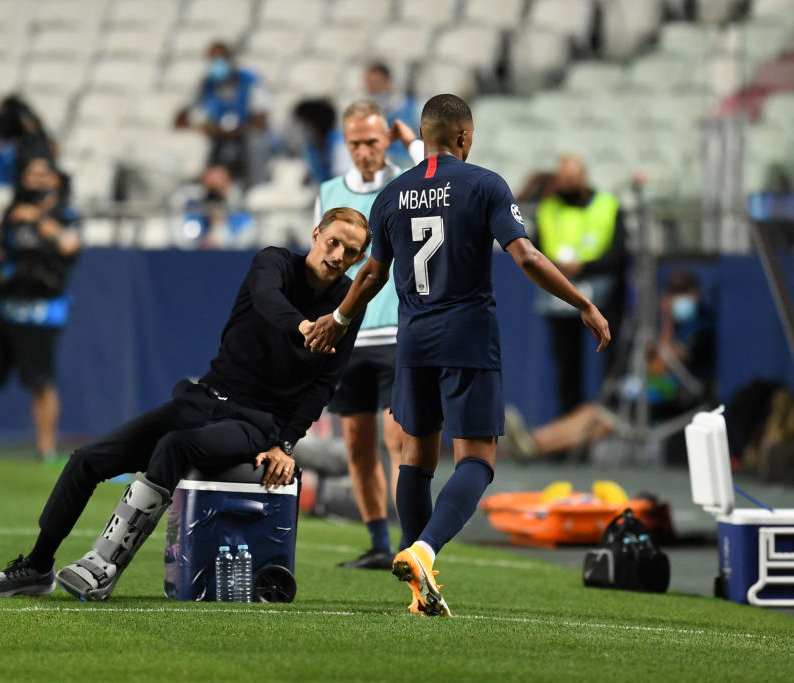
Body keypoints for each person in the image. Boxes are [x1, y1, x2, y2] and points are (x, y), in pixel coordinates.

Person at [303, 94, 610, 616]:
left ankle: (420, 584)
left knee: (415, 461)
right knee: (477, 460)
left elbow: (372, 274)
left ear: (423, 138)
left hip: (414, 340)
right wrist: (583, 301)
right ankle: (424, 549)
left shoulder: (393, 195)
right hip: (467, 335)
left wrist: (339, 318)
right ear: (465, 137)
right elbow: (526, 256)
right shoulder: (485, 184)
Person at [0, 207, 370, 601]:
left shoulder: (349, 305)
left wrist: (284, 444)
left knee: (175, 445)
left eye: (351, 252)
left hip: (256, 422)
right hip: (204, 397)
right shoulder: (273, 261)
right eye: (333, 242)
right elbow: (267, 299)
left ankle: (104, 564)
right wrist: (306, 326)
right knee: (84, 460)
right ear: (315, 234)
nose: (338, 256)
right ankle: (38, 567)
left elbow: (323, 384)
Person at [313, 100, 423, 570]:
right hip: (348, 333)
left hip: (397, 332)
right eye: (355, 142)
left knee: (398, 438)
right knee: (357, 445)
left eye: (373, 141)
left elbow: (448, 181)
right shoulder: (328, 192)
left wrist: (413, 142)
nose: (364, 151)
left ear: (388, 139)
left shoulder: (408, 181)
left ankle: (413, 542)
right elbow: (319, 262)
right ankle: (380, 543)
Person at [0, 154, 81, 461]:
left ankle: (46, 448)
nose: (35, 181)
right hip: (2, 306)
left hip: (40, 312)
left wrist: (34, 218)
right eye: (30, 175)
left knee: (41, 382)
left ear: (55, 180)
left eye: (42, 175)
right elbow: (0, 254)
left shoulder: (64, 215)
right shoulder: (11, 214)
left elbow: (70, 245)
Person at [506, 269, 715, 460]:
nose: (676, 299)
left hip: (676, 401)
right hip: (646, 394)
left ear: (695, 293)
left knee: (600, 419)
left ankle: (534, 445)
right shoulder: (676, 327)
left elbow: (660, 366)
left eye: (683, 292)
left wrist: (667, 320)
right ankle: (533, 441)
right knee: (592, 410)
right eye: (672, 292)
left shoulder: (700, 329)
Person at [534, 153, 626, 416]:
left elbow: (619, 252)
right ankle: (568, 432)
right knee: (566, 369)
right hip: (560, 297)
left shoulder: (607, 205)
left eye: (573, 179)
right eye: (563, 180)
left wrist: (584, 267)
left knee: (611, 366)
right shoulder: (548, 208)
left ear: (583, 178)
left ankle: (608, 424)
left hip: (603, 296)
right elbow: (535, 250)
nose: (568, 185)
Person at [174, 41, 269, 185]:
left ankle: (256, 186)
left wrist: (231, 132)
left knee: (254, 142)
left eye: (218, 60)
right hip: (218, 139)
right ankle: (211, 189)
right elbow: (180, 119)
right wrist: (203, 126)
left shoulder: (251, 82)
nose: (215, 65)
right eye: (211, 61)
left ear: (229, 60)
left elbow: (260, 124)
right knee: (211, 146)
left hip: (244, 136)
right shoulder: (205, 84)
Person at [363, 62, 418, 168]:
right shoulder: (369, 115)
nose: (371, 90)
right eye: (369, 85)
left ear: (387, 81)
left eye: (375, 84)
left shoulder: (411, 108)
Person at [294, 98, 352, 185]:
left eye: (306, 123)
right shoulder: (312, 147)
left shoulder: (340, 145)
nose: (304, 127)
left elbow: (342, 182)